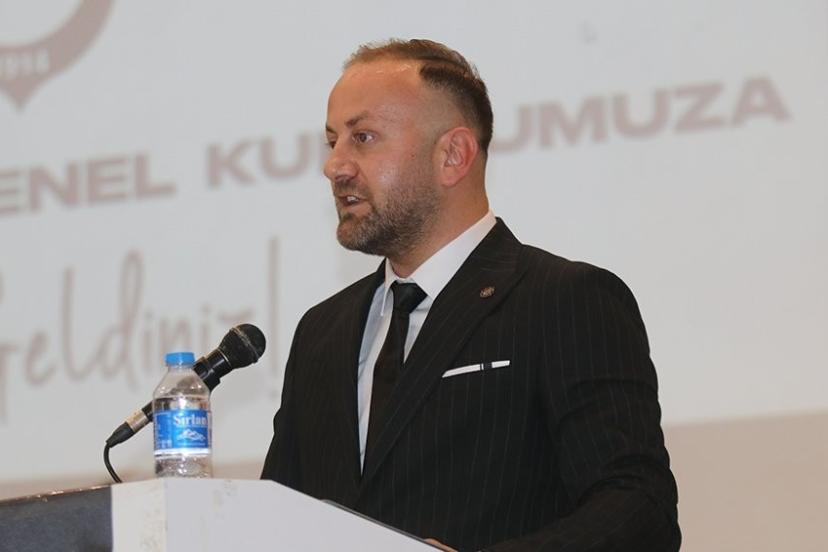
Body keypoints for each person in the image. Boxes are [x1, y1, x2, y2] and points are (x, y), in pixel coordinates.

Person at [262, 39, 680, 552]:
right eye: (332, 142)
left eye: (363, 137)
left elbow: (638, 510)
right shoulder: (321, 331)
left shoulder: (563, 300)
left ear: (453, 155)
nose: (335, 166)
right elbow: (274, 521)